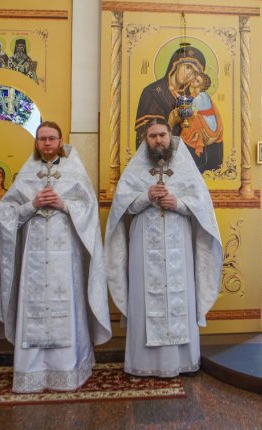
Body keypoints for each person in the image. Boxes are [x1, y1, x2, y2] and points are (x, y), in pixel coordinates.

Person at [0, 121, 111, 393]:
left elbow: (88, 209)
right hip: (33, 258)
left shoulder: (74, 170)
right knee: (32, 305)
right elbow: (7, 213)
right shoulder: (27, 173)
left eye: (51, 138)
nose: (47, 143)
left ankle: (68, 369)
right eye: (42, 139)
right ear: (36, 142)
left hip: (66, 255)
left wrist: (64, 204)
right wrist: (32, 204)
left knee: (68, 303)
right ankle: (31, 371)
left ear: (61, 141)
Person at [104, 119, 222, 377]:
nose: (158, 140)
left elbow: (201, 205)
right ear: (145, 140)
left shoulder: (185, 167)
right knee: (144, 295)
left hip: (178, 240)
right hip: (143, 241)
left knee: (180, 293)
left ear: (170, 137)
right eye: (152, 136)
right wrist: (146, 197)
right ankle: (144, 363)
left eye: (162, 135)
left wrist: (178, 203)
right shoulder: (136, 169)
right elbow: (123, 208)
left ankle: (181, 361)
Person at [180, 72, 223, 171]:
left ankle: (196, 136)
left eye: (197, 81)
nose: (194, 80)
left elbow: (190, 109)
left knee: (193, 119)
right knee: (192, 118)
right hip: (203, 119)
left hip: (209, 122)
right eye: (195, 78)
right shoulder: (195, 94)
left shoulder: (201, 97)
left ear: (202, 86)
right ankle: (194, 136)